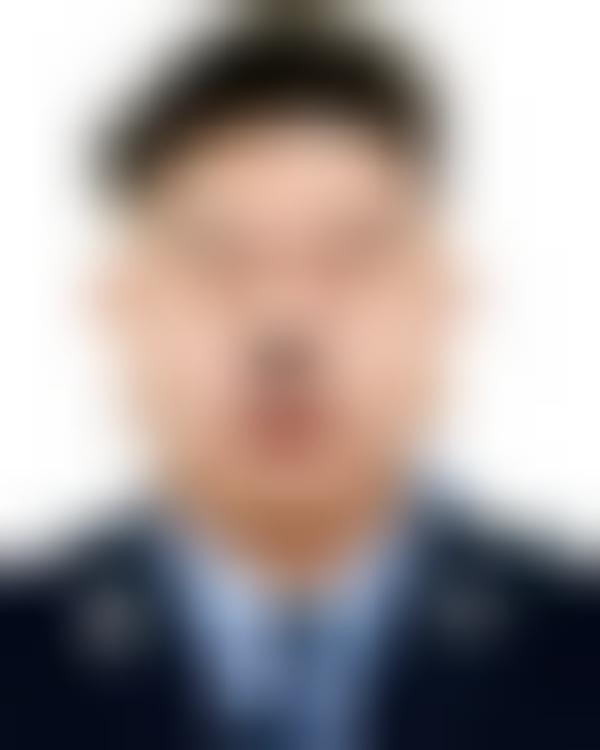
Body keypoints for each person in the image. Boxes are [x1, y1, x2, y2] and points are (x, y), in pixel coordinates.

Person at [2, 11, 599, 750]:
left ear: (446, 302)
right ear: (121, 310)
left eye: (349, 259)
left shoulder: (579, 651)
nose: (284, 328)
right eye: (220, 263)